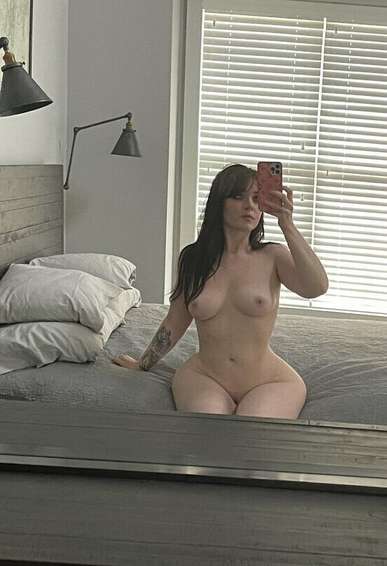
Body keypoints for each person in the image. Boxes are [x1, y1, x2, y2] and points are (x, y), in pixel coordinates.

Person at [113, 162, 328, 417]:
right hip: (205, 376)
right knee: (210, 430)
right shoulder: (193, 260)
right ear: (219, 203)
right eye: (238, 196)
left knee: (252, 429)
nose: (249, 206)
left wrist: (287, 225)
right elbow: (176, 320)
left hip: (268, 380)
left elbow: (317, 287)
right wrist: (143, 364)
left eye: (256, 198)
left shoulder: (273, 256)